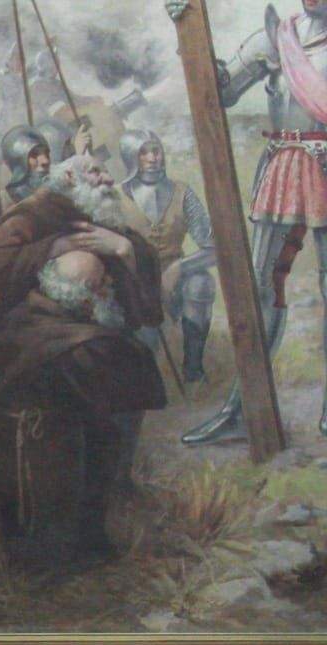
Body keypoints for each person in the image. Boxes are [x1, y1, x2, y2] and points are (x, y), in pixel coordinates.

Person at [0, 153, 165, 561]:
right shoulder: (33, 213)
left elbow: (143, 274)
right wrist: (55, 246)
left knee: (122, 359)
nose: (105, 177)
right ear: (67, 177)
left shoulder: (96, 211)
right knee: (102, 361)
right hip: (27, 336)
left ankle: (92, 522)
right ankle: (62, 539)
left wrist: (123, 248)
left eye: (102, 168)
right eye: (94, 170)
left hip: (75, 330)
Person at [169, 0, 327, 442]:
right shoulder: (277, 36)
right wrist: (186, 31)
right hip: (285, 167)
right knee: (260, 289)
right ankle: (243, 407)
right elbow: (220, 91)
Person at [116, 128, 217, 383]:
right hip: (134, 281)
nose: (152, 158)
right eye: (143, 153)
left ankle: (193, 369)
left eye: (156, 150)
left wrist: (179, 268)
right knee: (145, 342)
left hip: (175, 277)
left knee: (201, 284)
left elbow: (214, 247)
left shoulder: (183, 193)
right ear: (131, 157)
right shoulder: (115, 197)